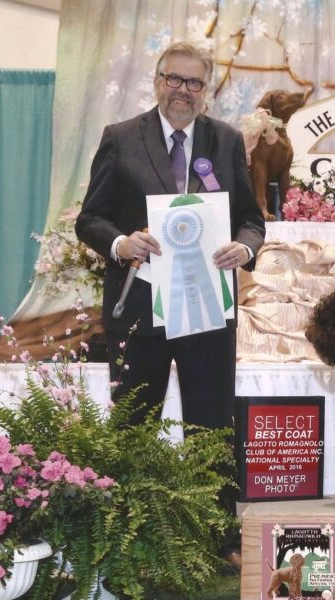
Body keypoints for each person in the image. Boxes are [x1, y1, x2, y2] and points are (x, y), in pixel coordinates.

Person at [76, 41, 264, 569]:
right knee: (134, 428)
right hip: (139, 311)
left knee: (212, 427)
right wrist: (120, 244)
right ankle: (127, 542)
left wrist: (244, 246)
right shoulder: (120, 138)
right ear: (157, 80)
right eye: (173, 79)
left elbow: (251, 217)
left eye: (194, 83)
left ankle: (221, 539)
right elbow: (89, 219)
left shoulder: (225, 141)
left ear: (208, 90)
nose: (183, 91)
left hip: (208, 310)